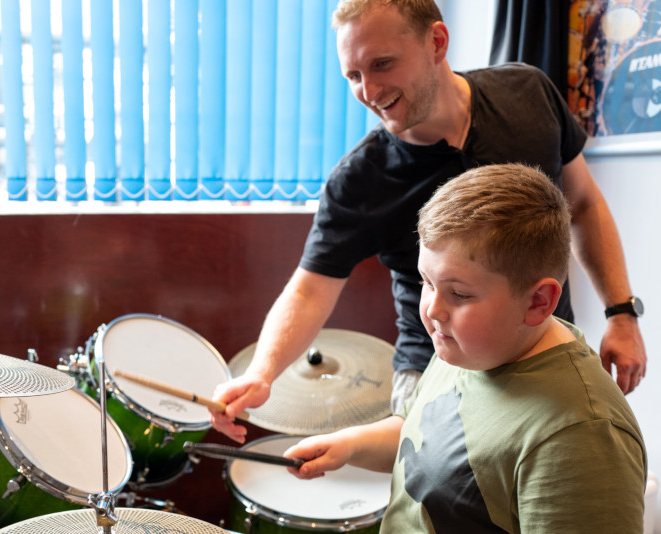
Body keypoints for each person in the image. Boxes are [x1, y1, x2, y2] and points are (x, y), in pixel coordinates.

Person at [278, 163, 646, 534]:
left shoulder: (579, 431)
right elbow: (439, 436)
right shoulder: (479, 342)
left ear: (539, 302)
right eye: (427, 281)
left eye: (457, 292)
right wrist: (353, 445)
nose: (431, 310)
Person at [211, 0, 646, 444]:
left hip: (546, 348)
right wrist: (262, 373)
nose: (370, 90)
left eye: (382, 64)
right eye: (353, 76)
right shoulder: (360, 180)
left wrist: (622, 314)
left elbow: (585, 205)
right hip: (436, 366)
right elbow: (308, 290)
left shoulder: (529, 94)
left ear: (436, 42)